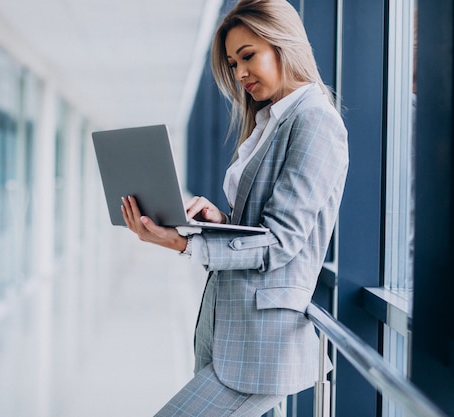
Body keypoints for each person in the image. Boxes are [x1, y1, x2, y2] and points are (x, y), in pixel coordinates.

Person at [121, 0, 348, 415]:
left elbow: (281, 242)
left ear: (285, 45)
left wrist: (183, 245)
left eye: (248, 56)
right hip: (227, 330)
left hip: (261, 346)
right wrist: (221, 222)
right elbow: (261, 228)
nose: (239, 73)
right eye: (232, 63)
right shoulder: (270, 122)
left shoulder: (315, 120)